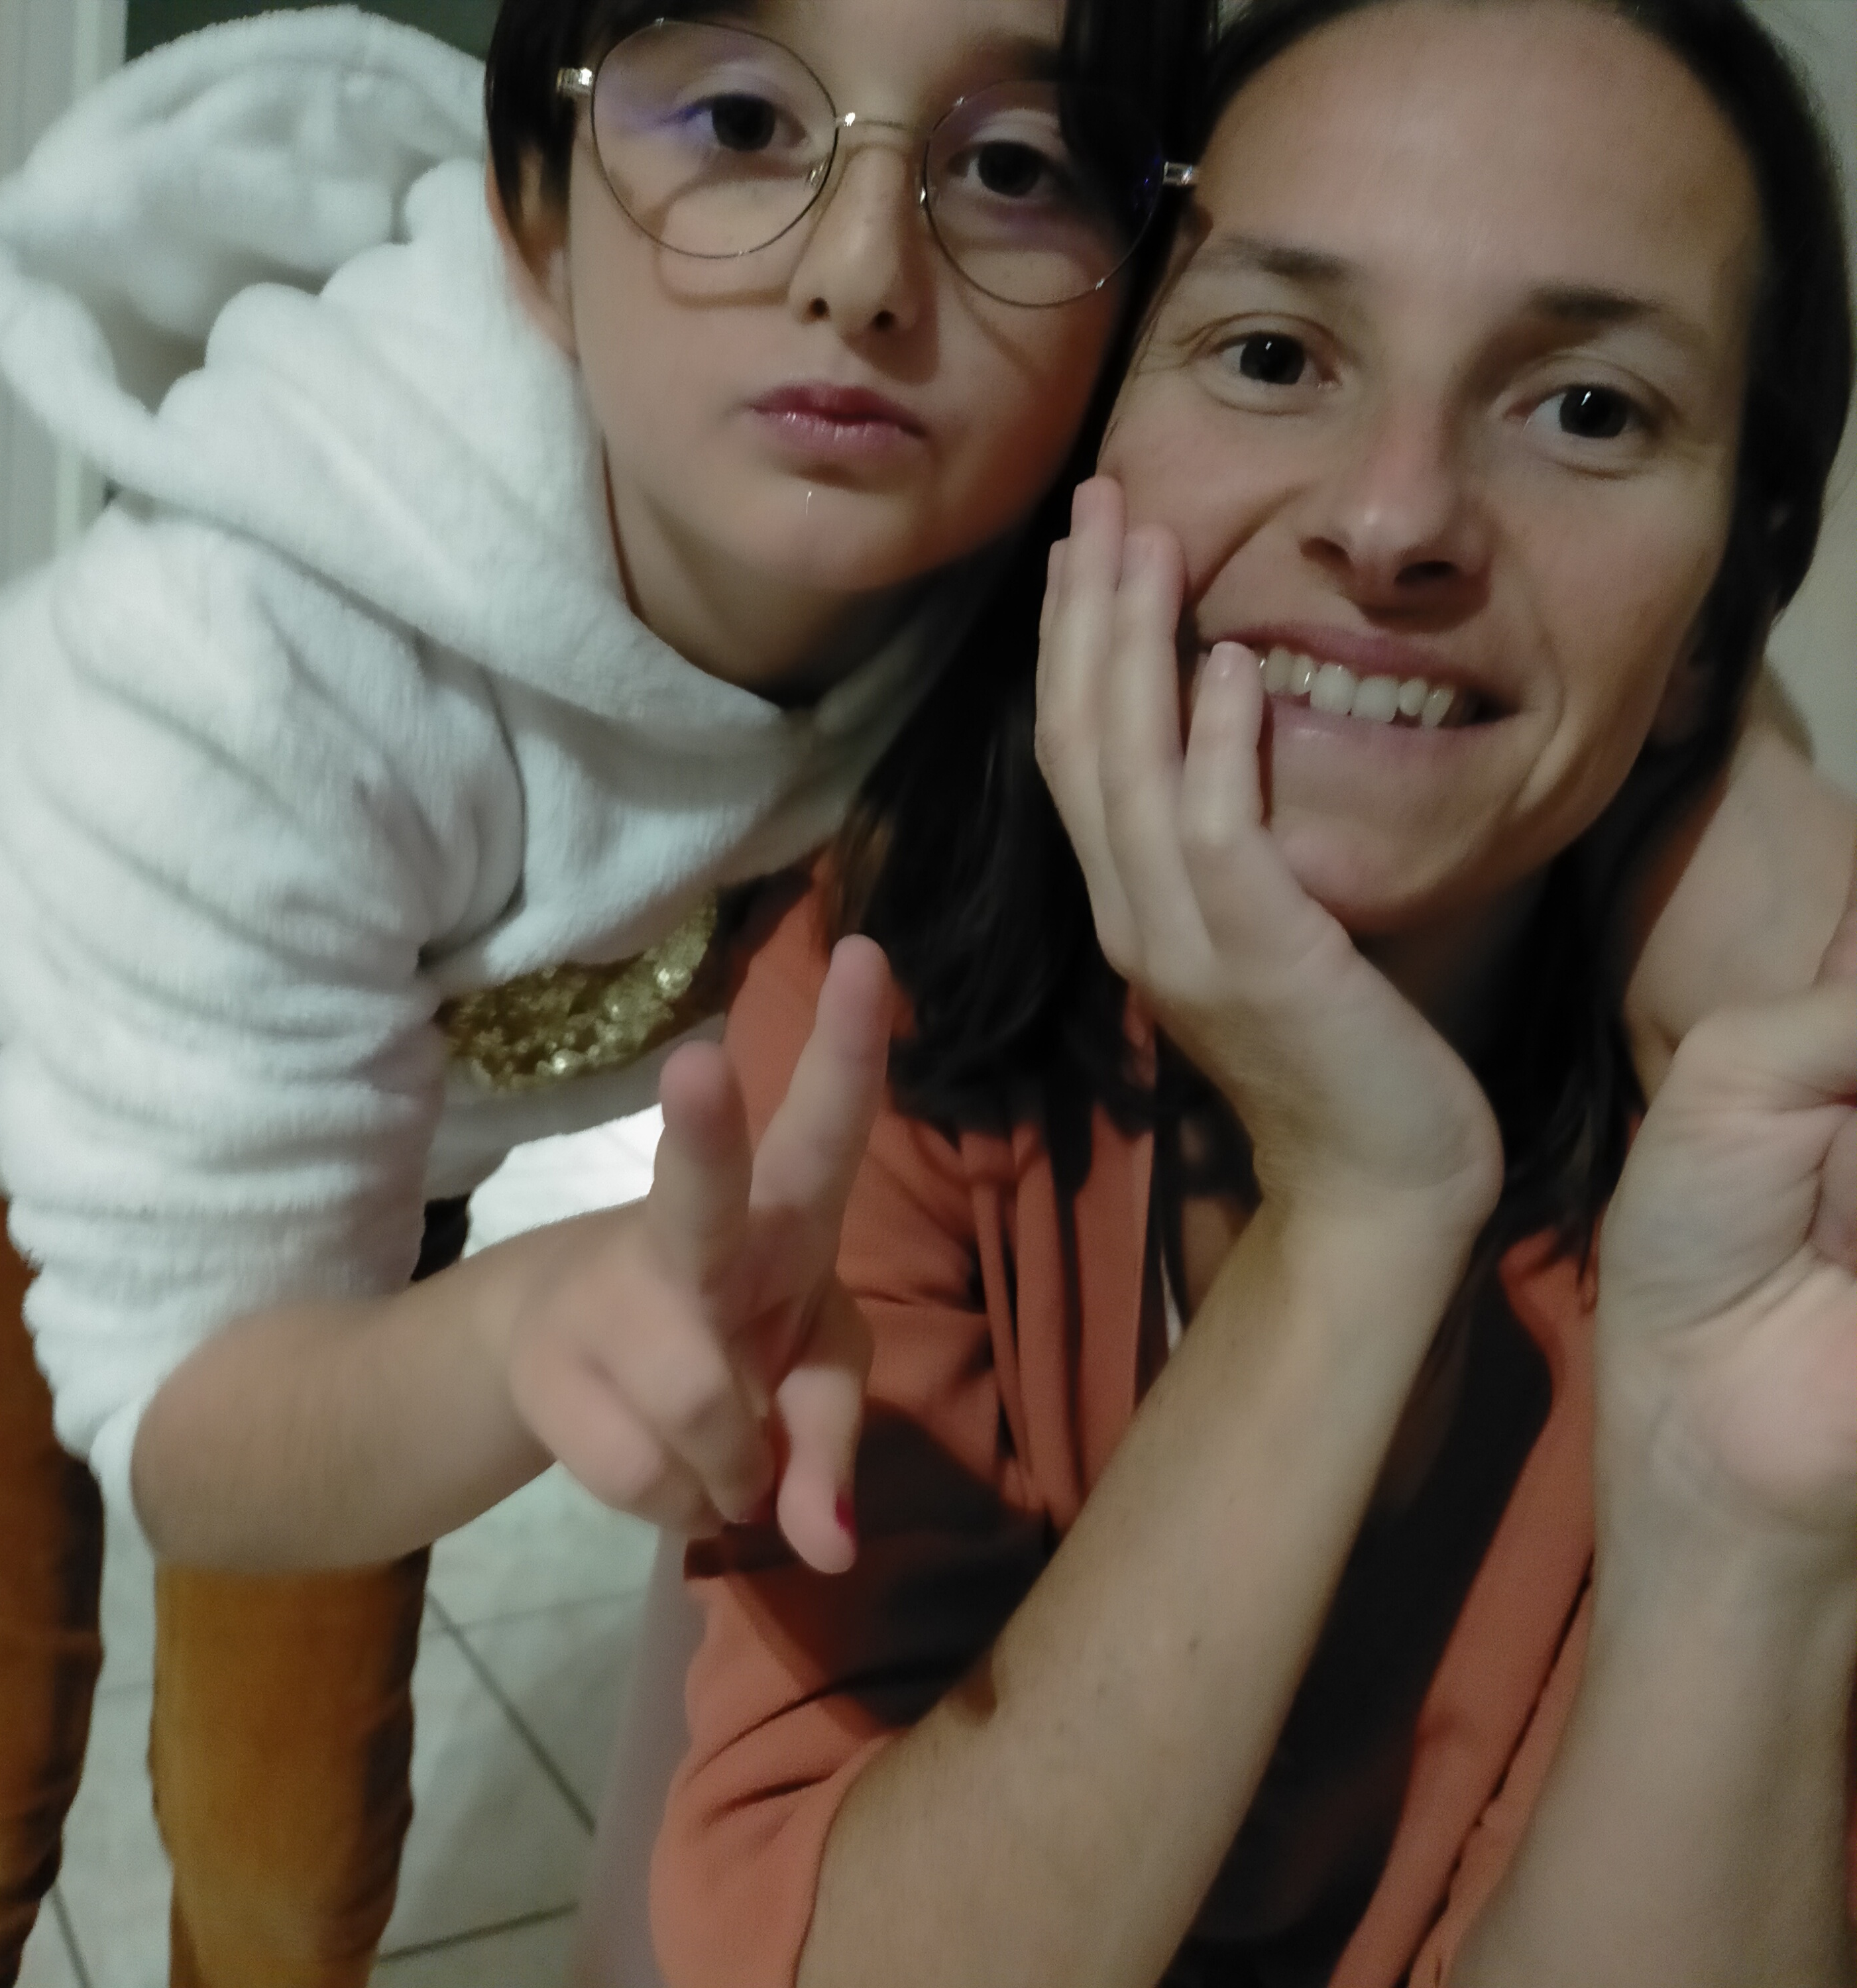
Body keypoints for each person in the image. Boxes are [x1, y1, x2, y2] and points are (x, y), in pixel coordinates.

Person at [0, 1, 1204, 1979]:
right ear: (533, 218)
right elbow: (193, 1416)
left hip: (373, 1105)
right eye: (739, 121)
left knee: (299, 1839)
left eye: (1012, 164)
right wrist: (515, 1331)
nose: (863, 269)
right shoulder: (254, 653)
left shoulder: (990, 607)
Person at [644, 0, 1857, 1982]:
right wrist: (1362, 1209)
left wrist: (1741, 1530)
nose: (1394, 522)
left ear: (1726, 614)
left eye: (1588, 411)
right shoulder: (877, 1004)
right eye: (1275, 356)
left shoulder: (1769, 1194)